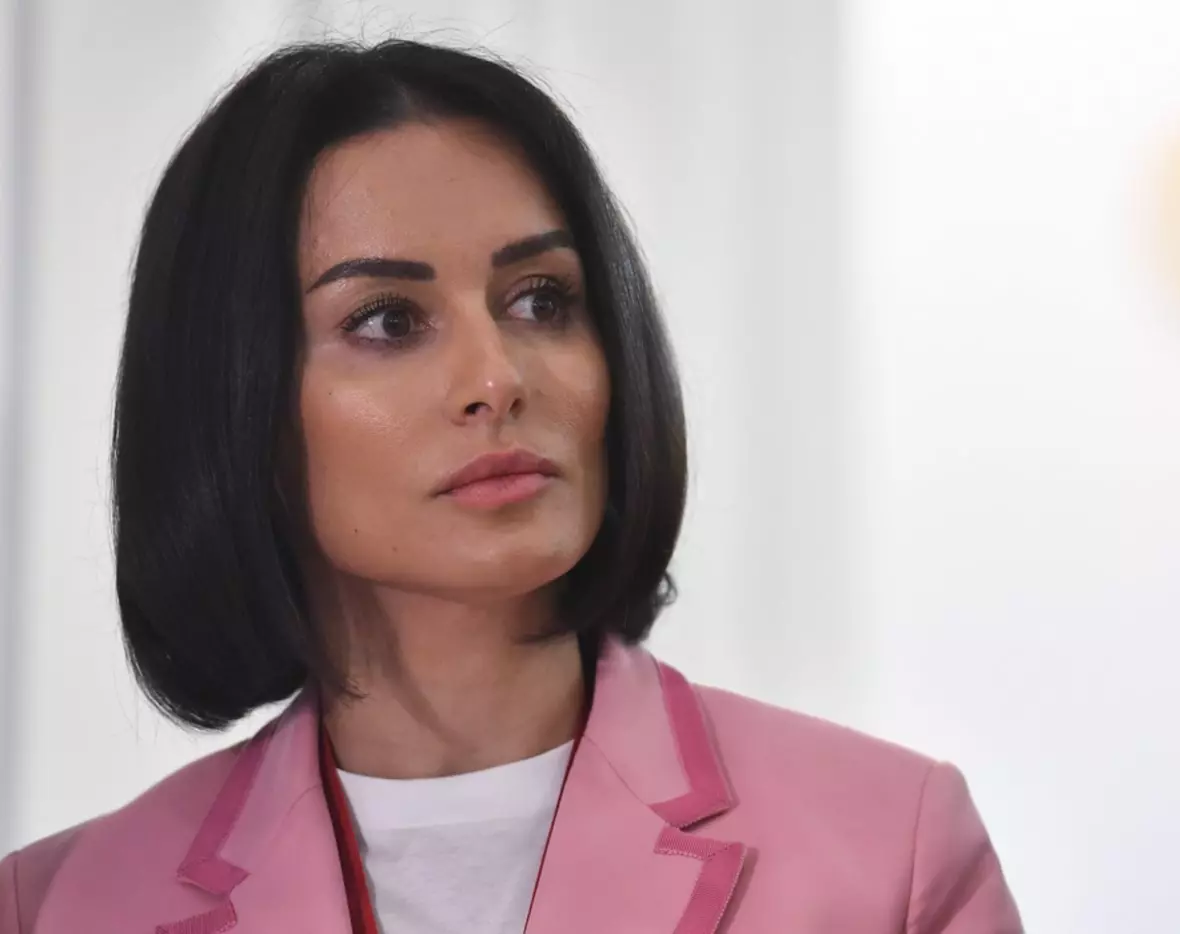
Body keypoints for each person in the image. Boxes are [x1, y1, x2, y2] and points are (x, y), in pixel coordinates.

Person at [0, 40, 1023, 934]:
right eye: (388, 320)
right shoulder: (54, 910)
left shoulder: (890, 854)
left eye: (540, 300)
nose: (496, 378)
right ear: (232, 399)